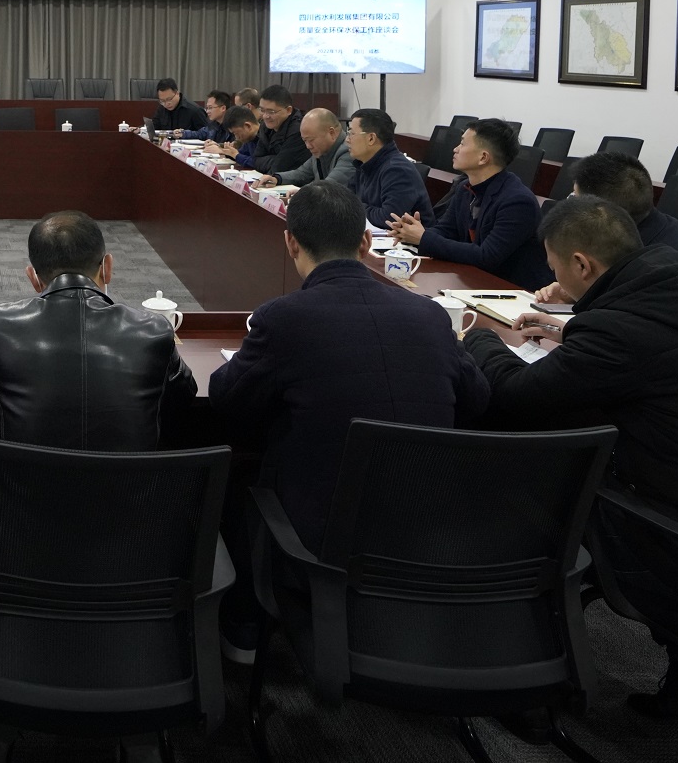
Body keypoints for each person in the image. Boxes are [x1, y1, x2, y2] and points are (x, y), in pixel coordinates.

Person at [462, 195, 678, 720]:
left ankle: (528, 680)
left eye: (554, 266)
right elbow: (658, 354)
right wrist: (571, 331)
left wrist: (481, 338)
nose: (552, 276)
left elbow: (516, 393)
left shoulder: (621, 331)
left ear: (582, 265)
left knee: (528, 480)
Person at [210, 180, 490, 661]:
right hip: (426, 529)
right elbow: (478, 400)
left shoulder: (283, 318)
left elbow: (226, 398)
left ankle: (244, 636)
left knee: (238, 479)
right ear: (365, 242)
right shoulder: (429, 316)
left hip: (321, 540)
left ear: (290, 243)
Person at [0, 211, 196, 450]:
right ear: (107, 267)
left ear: (33, 277)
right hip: (129, 477)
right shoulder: (154, 330)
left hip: (24, 476)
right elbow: (183, 396)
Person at [386, 117, 551, 290]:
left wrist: (424, 238)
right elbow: (446, 230)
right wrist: (411, 233)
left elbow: (486, 256)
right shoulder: (465, 188)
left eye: (463, 144)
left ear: (483, 157)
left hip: (511, 289)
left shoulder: (518, 202)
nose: (455, 149)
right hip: (474, 281)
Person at [566, 152, 678, 283]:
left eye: (574, 197)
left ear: (601, 212)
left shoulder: (664, 271)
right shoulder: (642, 230)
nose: (570, 204)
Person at [347, 107, 432, 227]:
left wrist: (355, 207)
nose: (347, 140)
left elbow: (388, 218)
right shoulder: (364, 163)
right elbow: (346, 200)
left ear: (371, 138)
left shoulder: (398, 170)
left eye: (351, 134)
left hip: (405, 238)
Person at [258, 109, 356, 190]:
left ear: (332, 133)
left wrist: (302, 193)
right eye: (305, 140)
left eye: (311, 140)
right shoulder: (321, 150)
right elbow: (302, 173)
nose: (308, 146)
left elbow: (329, 186)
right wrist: (277, 179)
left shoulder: (349, 151)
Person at [246, 85, 308, 173]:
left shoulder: (298, 131)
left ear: (288, 110)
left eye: (271, 112)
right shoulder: (265, 126)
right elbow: (256, 160)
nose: (265, 116)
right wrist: (275, 159)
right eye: (262, 110)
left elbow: (280, 167)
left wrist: (273, 161)